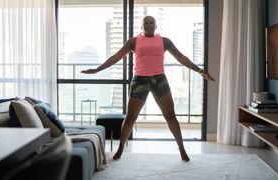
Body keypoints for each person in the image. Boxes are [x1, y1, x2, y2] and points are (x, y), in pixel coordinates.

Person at [82, 16, 215, 162]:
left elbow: (180, 57)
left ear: (156, 26)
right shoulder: (133, 41)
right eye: (145, 22)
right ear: (141, 26)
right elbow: (116, 57)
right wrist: (97, 69)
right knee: (130, 118)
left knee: (170, 117)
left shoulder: (164, 41)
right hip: (140, 80)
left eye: (151, 22)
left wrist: (199, 70)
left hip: (159, 80)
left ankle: (182, 149)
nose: (148, 24)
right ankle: (120, 149)